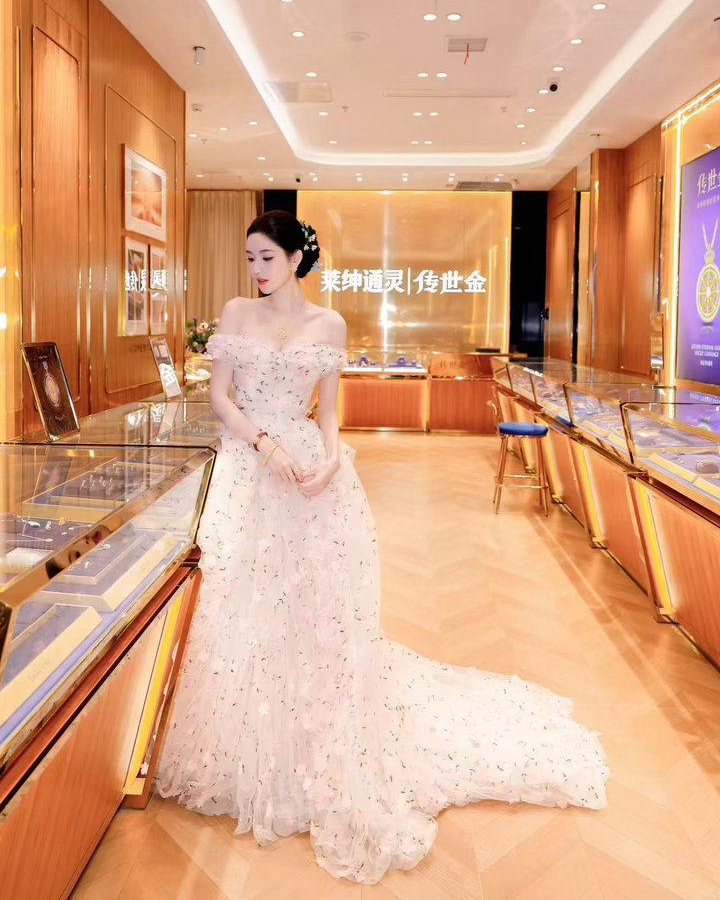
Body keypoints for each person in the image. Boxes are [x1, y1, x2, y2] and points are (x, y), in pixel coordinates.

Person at [155, 210, 609, 885]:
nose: (257, 270)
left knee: (314, 607)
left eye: (268, 258)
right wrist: (266, 447)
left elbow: (329, 409)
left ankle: (315, 727)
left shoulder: (329, 324)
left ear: (296, 259)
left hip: (308, 474)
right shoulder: (236, 314)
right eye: (250, 258)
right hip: (250, 468)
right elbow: (221, 398)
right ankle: (244, 739)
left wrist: (332, 459)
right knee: (240, 597)